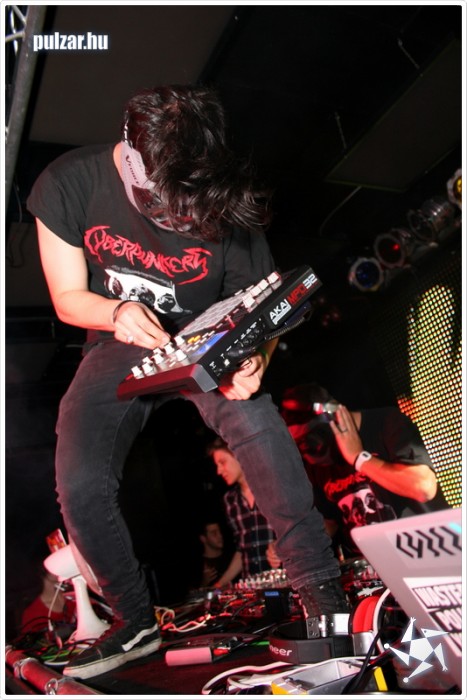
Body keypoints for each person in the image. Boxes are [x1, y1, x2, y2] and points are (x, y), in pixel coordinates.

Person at [27, 85, 347, 679]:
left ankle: (320, 587)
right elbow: (68, 296)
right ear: (131, 162)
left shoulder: (225, 196)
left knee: (253, 418)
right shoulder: (69, 182)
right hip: (118, 337)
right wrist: (115, 311)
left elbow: (259, 307)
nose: (180, 221)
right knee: (78, 476)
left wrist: (255, 359)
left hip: (210, 331)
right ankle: (133, 620)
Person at [281, 383, 450, 557]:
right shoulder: (317, 465)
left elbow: (423, 487)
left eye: (310, 443)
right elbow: (330, 523)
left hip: (425, 554)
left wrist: (359, 458)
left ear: (333, 419)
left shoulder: (386, 422)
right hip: (373, 565)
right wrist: (293, 545)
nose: (308, 455)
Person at [208, 437, 277, 586]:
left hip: (284, 581)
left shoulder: (274, 488)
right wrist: (219, 585)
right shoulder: (230, 501)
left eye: (222, 462)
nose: (219, 471)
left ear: (239, 456)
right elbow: (242, 550)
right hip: (252, 587)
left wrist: (281, 546)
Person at [198, 520, 233, 588]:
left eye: (220, 532)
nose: (220, 536)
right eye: (214, 533)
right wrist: (204, 583)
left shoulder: (233, 559)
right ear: (203, 538)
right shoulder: (198, 564)